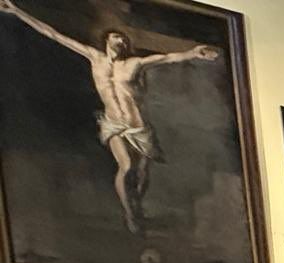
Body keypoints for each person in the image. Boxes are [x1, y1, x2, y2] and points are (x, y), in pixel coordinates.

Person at [0, 1, 221, 234]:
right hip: (113, 122)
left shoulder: (134, 64)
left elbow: (166, 58)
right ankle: (130, 214)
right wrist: (18, 11)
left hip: (138, 124)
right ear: (108, 40)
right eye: (117, 37)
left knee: (142, 171)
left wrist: (193, 53)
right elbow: (55, 35)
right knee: (126, 166)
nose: (122, 41)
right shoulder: (94, 58)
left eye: (124, 39)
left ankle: (136, 204)